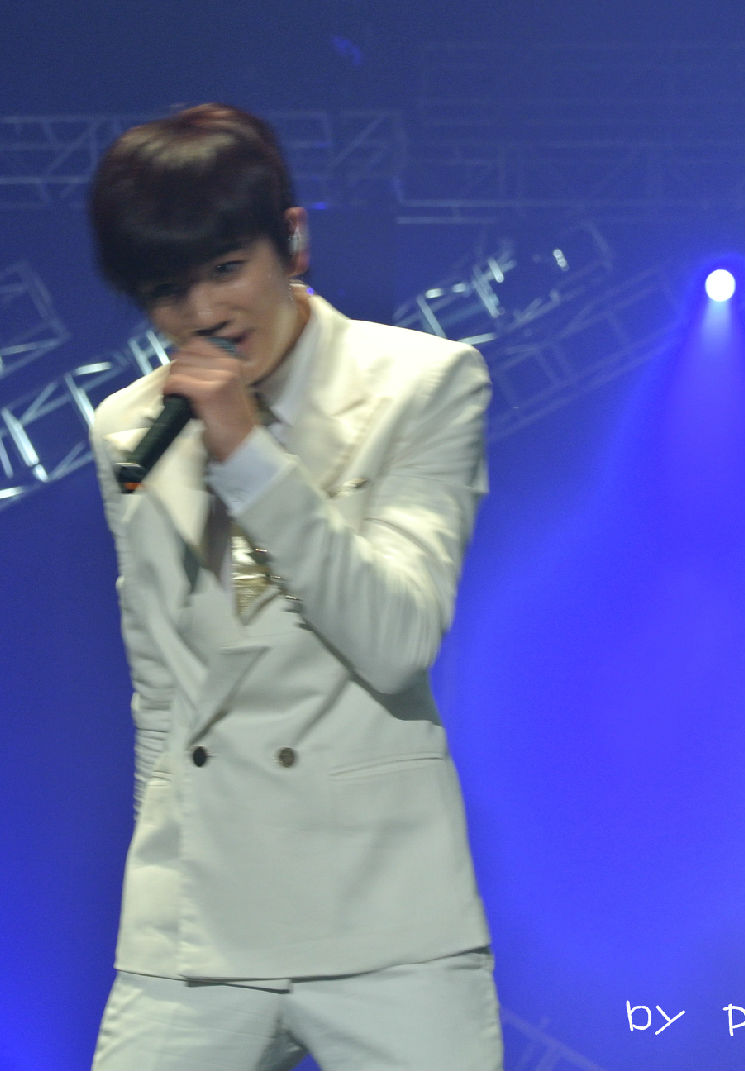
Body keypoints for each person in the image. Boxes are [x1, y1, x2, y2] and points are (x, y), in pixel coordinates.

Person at [85, 103, 500, 1071]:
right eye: (167, 292)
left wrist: (244, 451)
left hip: (384, 913)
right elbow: (159, 686)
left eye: (227, 269)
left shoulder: (423, 384)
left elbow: (396, 639)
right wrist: (156, 899)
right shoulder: (126, 429)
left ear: (294, 243)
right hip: (194, 917)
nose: (203, 314)